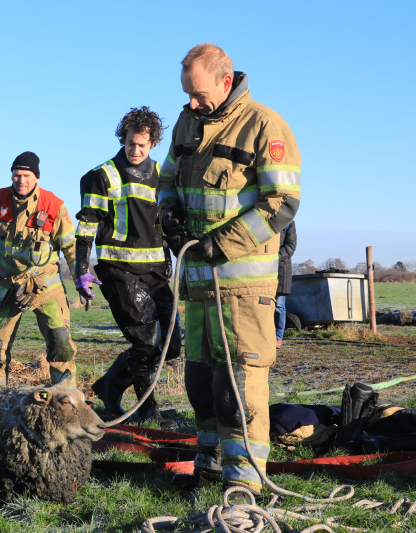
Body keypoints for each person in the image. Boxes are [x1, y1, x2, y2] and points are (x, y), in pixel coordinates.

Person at [157, 43, 301, 495]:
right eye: (188, 95)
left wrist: (219, 245)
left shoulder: (265, 125)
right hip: (198, 284)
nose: (193, 103)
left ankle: (244, 487)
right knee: (201, 381)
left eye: (199, 94)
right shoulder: (187, 121)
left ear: (225, 80)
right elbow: (166, 179)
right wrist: (170, 218)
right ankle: (210, 465)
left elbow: (281, 204)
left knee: (239, 385)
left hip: (243, 285)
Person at [74, 107, 181, 425]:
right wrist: (81, 269)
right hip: (118, 272)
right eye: (130, 143)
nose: (135, 150)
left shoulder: (163, 175)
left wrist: (175, 259)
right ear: (124, 139)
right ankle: (147, 415)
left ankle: (109, 387)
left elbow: (166, 224)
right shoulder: (101, 176)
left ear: (153, 144)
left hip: (156, 273)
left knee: (170, 345)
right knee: (146, 345)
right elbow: (86, 227)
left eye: (142, 146)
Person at [0, 152, 78, 391]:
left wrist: (82, 280)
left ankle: (66, 403)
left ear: (36, 178)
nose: (21, 180)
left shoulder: (54, 205)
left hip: (46, 287)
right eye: (17, 174)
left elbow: (71, 247)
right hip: (7, 286)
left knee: (60, 343)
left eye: (27, 175)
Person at [275, 221, 297, 347]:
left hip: (281, 270)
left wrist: (274, 257)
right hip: (264, 268)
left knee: (279, 305)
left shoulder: (289, 223)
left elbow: (291, 246)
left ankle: (278, 336)